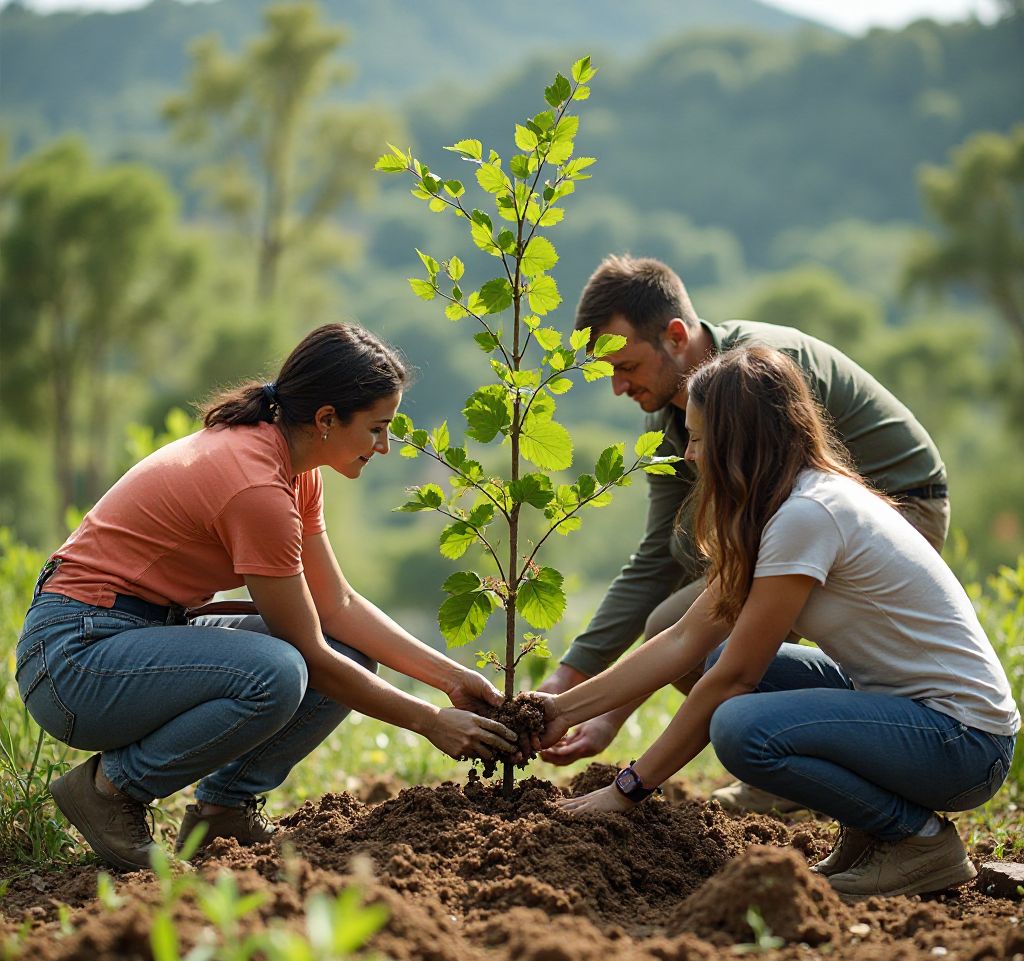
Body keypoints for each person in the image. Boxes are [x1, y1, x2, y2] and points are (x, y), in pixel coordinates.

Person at [15, 322, 519, 871]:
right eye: (377, 428)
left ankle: (223, 811)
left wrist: (451, 679)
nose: (385, 446)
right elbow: (309, 655)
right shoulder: (256, 487)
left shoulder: (296, 471)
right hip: (74, 660)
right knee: (277, 672)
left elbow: (337, 606)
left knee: (345, 651)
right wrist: (430, 721)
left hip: (142, 636)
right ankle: (109, 790)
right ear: (326, 419)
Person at [534, 345, 1018, 898]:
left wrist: (628, 789)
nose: (689, 454)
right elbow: (685, 638)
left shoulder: (807, 515)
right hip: (914, 716)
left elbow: (735, 680)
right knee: (716, 657)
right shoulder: (787, 506)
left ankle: (919, 840)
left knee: (741, 727)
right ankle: (873, 832)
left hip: (964, 742)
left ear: (737, 443)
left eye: (698, 439)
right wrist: (559, 710)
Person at [540, 255, 950, 814]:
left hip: (900, 508)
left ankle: (800, 764)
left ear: (676, 336)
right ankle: (798, 759)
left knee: (725, 664)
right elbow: (661, 558)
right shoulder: (672, 417)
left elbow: (798, 519)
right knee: (688, 626)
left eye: (627, 365)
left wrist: (627, 781)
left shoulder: (763, 378)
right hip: (804, 529)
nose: (617, 387)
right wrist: (571, 687)